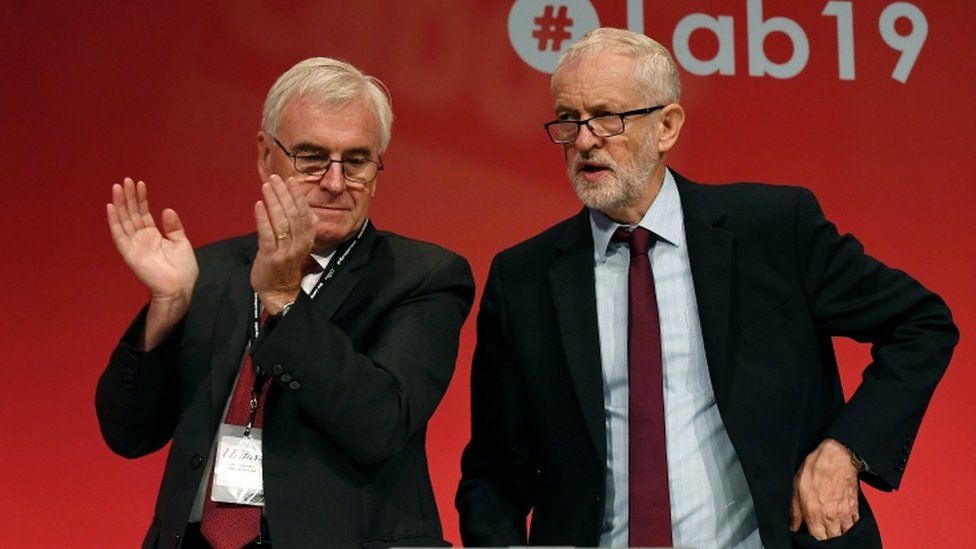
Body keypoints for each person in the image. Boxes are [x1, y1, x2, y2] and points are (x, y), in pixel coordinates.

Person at [456, 28, 957, 548]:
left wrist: (845, 450)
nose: (583, 140)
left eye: (607, 117)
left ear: (667, 126)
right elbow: (494, 474)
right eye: (567, 120)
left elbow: (920, 323)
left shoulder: (774, 229)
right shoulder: (524, 279)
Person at [98, 57, 474, 549]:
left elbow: (380, 424)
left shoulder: (423, 277)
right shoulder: (209, 272)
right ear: (264, 155)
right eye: (312, 157)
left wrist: (284, 298)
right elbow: (128, 435)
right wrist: (167, 307)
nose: (336, 183)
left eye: (356, 161)